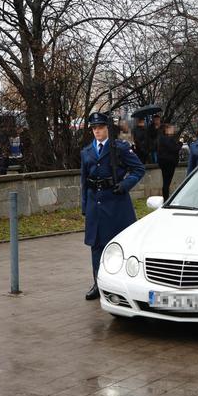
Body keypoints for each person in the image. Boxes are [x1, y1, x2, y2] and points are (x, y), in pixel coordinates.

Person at [81, 112, 145, 300]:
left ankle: (122, 284)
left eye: (100, 127)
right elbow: (84, 181)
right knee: (96, 245)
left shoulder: (120, 148)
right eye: (94, 128)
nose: (97, 131)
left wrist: (125, 185)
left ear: (107, 128)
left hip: (116, 202)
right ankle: (97, 283)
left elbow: (138, 169)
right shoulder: (86, 152)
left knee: (120, 244)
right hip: (95, 204)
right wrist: (85, 206)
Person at [157, 123, 181, 199]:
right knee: (166, 182)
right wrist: (180, 144)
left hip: (166, 162)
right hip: (168, 163)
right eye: (171, 129)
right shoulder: (165, 138)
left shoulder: (163, 138)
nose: (173, 130)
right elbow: (174, 149)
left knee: (166, 182)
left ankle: (166, 197)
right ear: (166, 130)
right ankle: (166, 198)